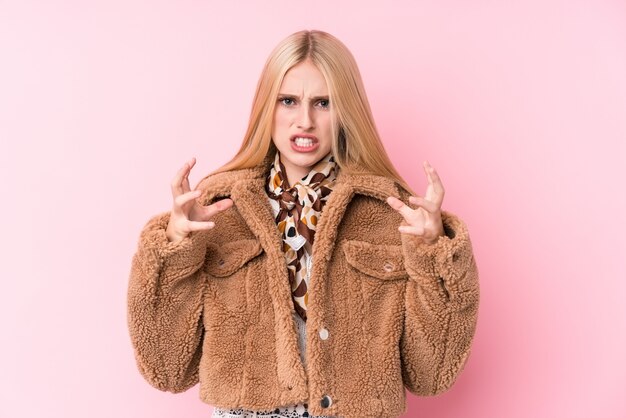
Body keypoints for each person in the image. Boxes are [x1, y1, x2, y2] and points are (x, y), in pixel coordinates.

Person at [127, 30, 480, 418]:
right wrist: (175, 248)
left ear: (345, 110)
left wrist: (434, 259)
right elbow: (167, 369)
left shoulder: (389, 212)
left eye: (323, 103)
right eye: (289, 101)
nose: (305, 121)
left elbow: (432, 376)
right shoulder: (218, 210)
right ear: (267, 107)